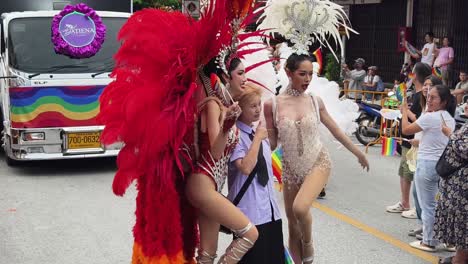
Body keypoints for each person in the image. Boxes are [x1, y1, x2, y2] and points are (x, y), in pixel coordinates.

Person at [97, 1, 265, 263]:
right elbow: (216, 149)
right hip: (203, 185)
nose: (245, 77)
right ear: (223, 72)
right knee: (248, 234)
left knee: (206, 255)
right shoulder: (211, 104)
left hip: (211, 186)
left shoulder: (221, 100)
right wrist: (228, 126)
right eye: (241, 72)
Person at [264, 54, 370, 264]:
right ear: (288, 73)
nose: (307, 79)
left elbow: (336, 131)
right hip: (291, 170)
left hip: (318, 163)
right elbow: (272, 144)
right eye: (302, 74)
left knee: (300, 208)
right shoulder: (272, 105)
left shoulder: (314, 101)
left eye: (310, 74)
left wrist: (358, 152)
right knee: (293, 227)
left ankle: (309, 244)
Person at [227, 85, 285, 264]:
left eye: (259, 104)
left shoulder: (257, 131)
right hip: (249, 213)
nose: (258, 109)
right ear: (240, 108)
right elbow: (245, 167)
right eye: (252, 106)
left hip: (270, 211)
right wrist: (258, 139)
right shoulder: (235, 134)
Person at [401, 84, 456, 252]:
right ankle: (447, 240)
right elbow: (437, 139)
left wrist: (404, 111)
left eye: (434, 98)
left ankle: (429, 241)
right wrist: (419, 142)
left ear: (444, 101)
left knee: (428, 205)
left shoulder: (430, 117)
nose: (429, 100)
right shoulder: (449, 118)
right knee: (440, 205)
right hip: (442, 166)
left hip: (427, 164)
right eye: (429, 96)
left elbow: (405, 130)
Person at [386, 63, 432, 217]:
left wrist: (406, 111)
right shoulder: (414, 94)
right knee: (404, 173)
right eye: (425, 85)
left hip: (416, 141)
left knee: (414, 176)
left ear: (415, 75)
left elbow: (421, 120)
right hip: (408, 140)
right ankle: (405, 203)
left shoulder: (424, 97)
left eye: (412, 74)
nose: (426, 88)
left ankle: (416, 208)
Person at [435, 104, 468, 264]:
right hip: (457, 188)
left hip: (463, 191)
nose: (466, 106)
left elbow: (465, 149)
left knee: (463, 233)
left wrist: (450, 134)